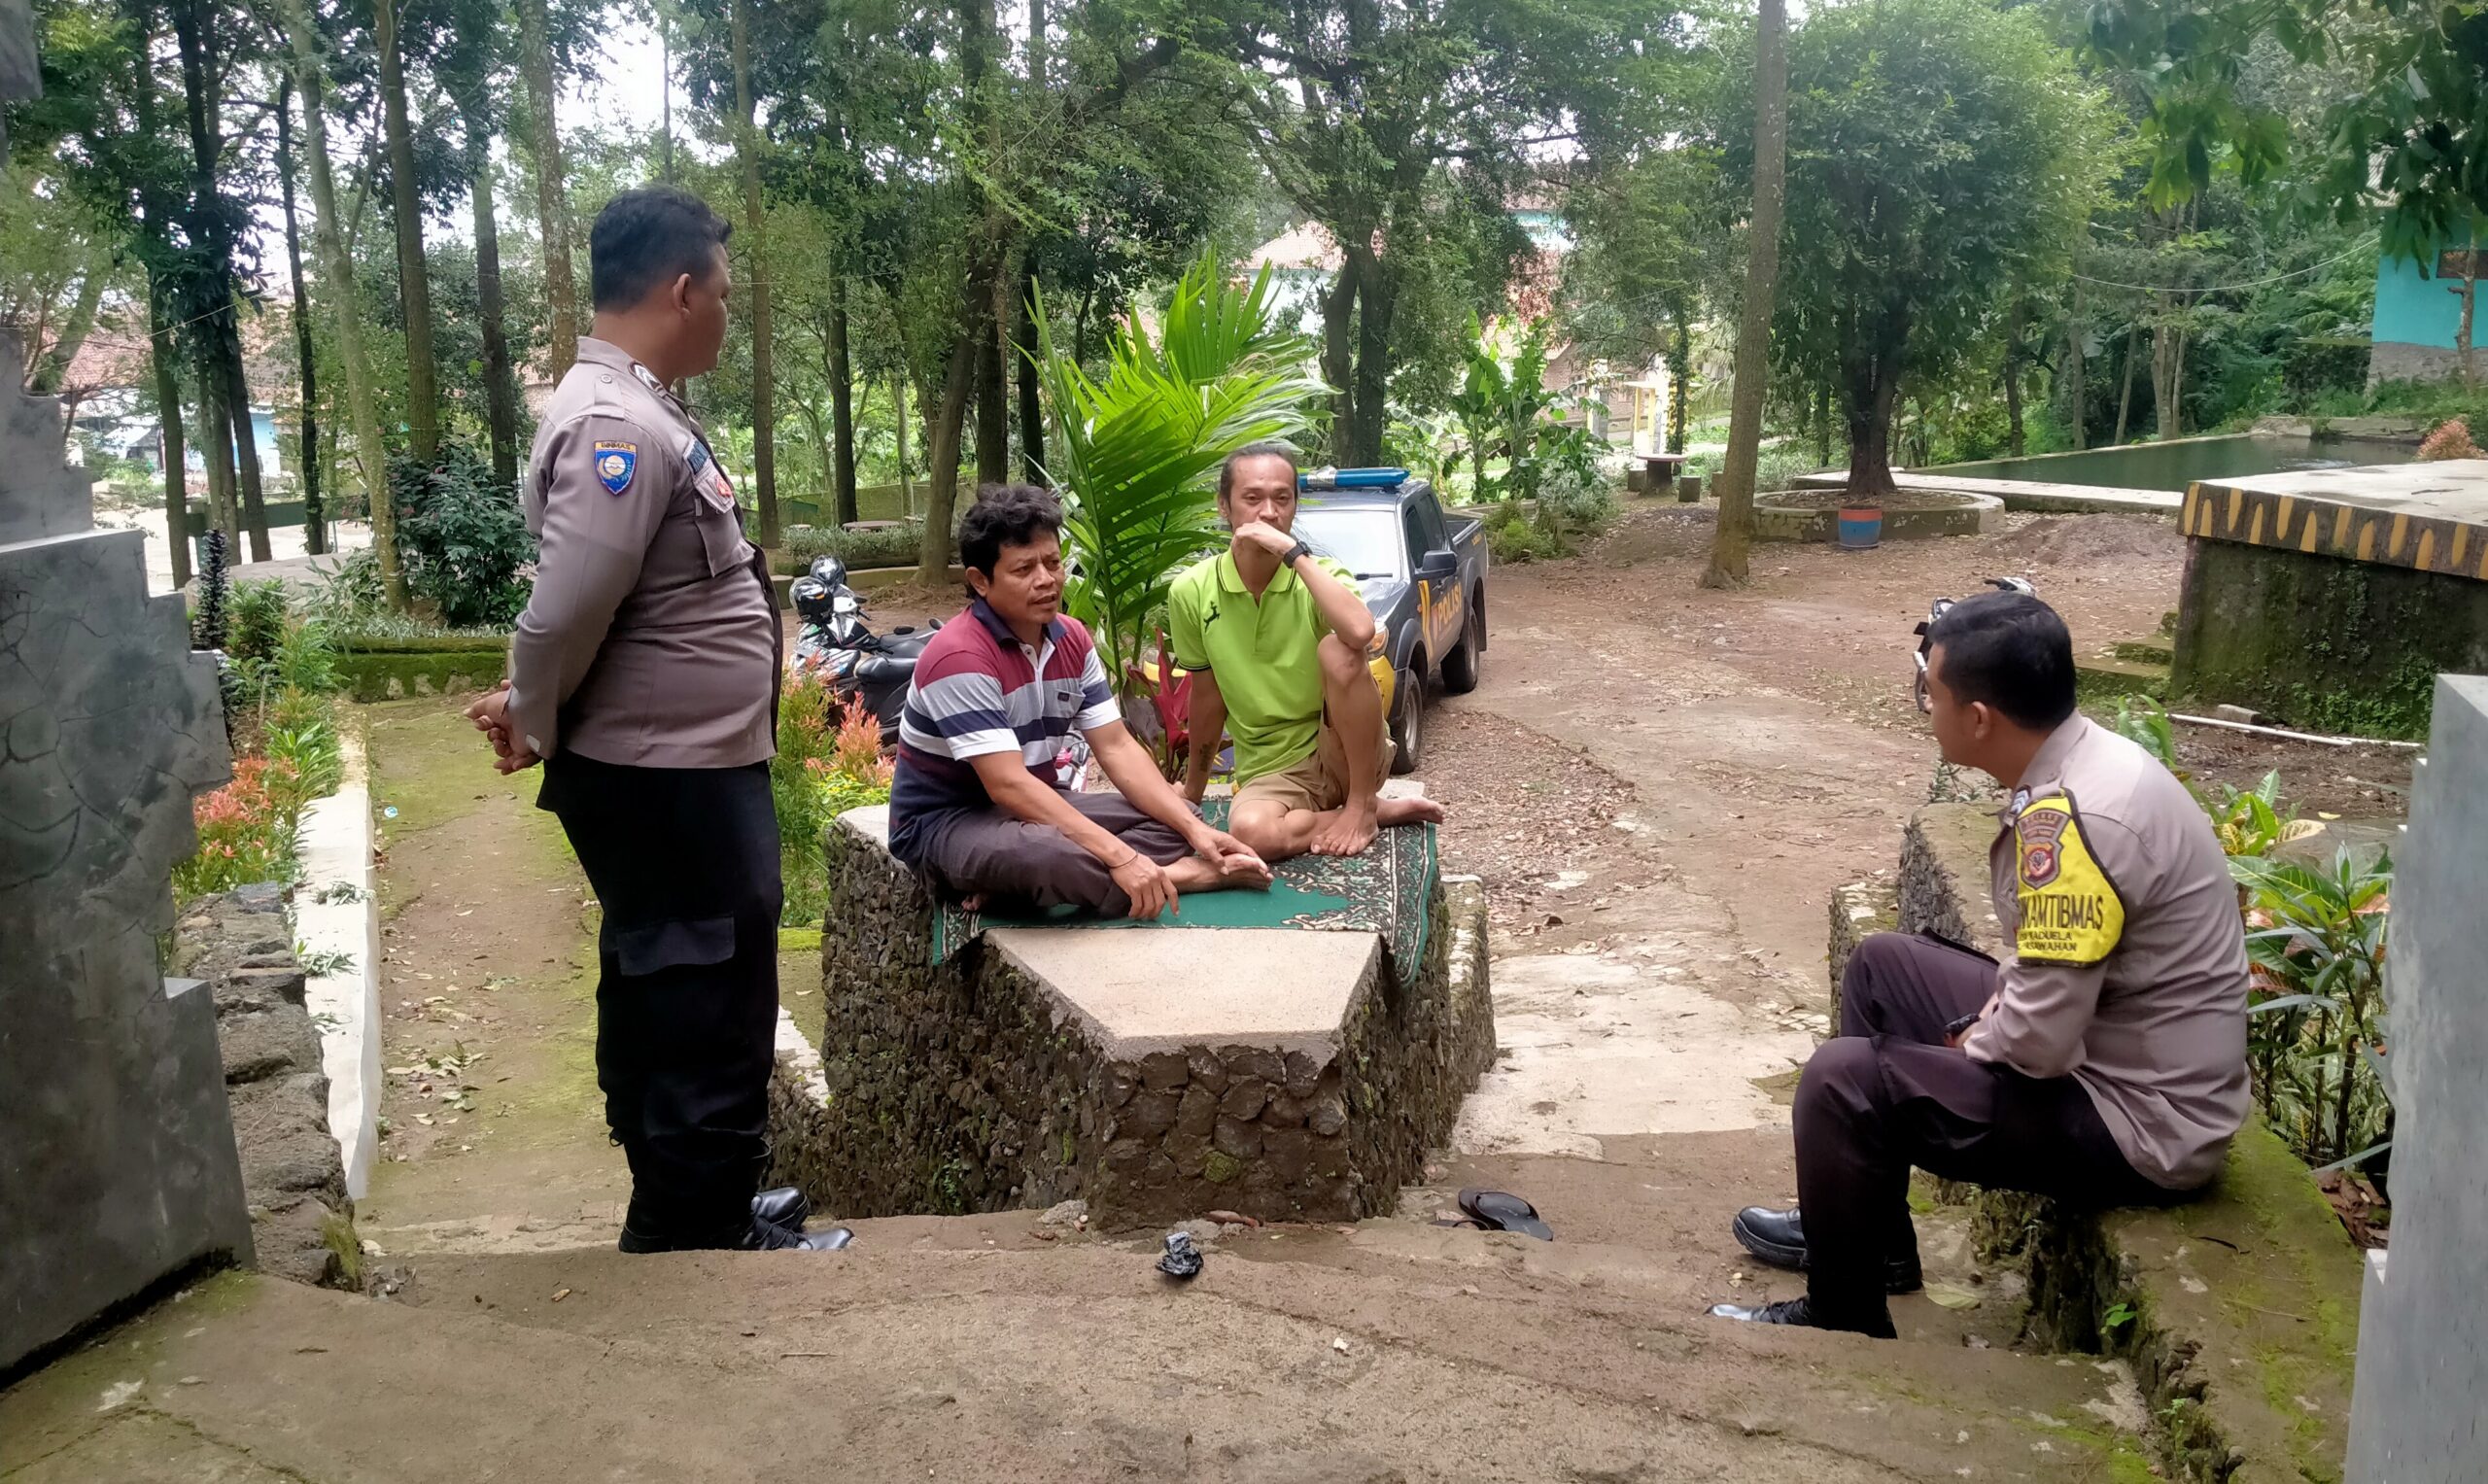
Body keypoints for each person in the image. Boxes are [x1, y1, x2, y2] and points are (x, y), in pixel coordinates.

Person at [465, 187, 844, 1254]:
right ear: (682, 291)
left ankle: (691, 1194)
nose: (725, 311)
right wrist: (531, 712)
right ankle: (696, 1223)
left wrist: (531, 702)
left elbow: (605, 605)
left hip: (682, 765)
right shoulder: (618, 425)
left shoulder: (639, 406)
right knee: (703, 984)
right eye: (721, 292)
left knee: (678, 968)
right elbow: (567, 606)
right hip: (667, 775)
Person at [1711, 591, 2250, 1337]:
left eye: (1931, 694)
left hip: (2140, 1121)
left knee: (1842, 1081)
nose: (1925, 708)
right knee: (1881, 966)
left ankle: (1842, 1314)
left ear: (1978, 719)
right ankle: (1872, 1238)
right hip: (2113, 1049)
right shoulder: (2083, 763)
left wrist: (1981, 1036)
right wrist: (1995, 1015)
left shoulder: (2077, 821)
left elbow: (2039, 1044)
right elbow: (2052, 967)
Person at [886, 484, 1272, 919]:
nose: (1046, 580)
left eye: (1053, 563)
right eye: (1024, 569)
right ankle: (1181, 876)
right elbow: (1007, 784)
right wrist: (1121, 857)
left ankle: (1020, 883)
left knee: (1177, 816)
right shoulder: (960, 656)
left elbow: (1116, 746)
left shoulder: (1071, 638)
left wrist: (1195, 831)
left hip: (1033, 808)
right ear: (980, 581)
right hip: (946, 823)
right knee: (1045, 856)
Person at [1171, 443, 1444, 861]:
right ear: (1224, 506)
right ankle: (1372, 813)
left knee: (1341, 650)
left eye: (1282, 498)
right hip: (1272, 769)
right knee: (1251, 833)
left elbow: (1360, 632)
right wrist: (1193, 790)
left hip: (1345, 752)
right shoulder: (1191, 591)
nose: (1268, 512)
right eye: (1252, 498)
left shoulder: (1319, 576)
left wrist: (1292, 554)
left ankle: (1361, 803)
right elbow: (1207, 697)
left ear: (1295, 506)